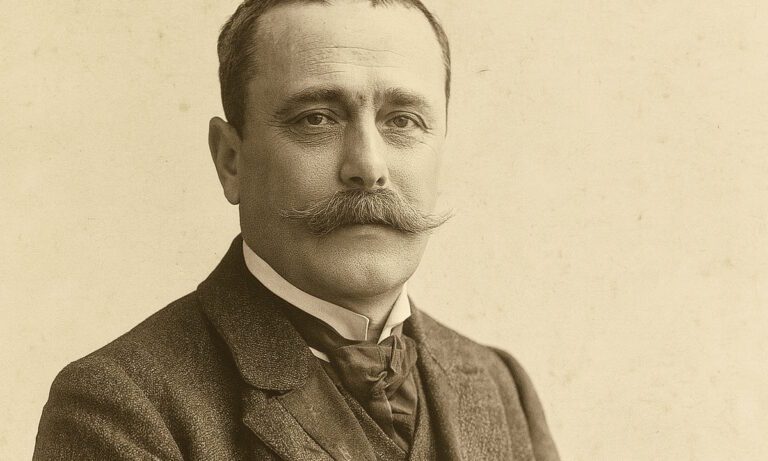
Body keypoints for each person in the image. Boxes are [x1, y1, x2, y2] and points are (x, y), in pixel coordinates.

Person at [34, 0, 559, 459]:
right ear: (231, 160)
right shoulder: (119, 407)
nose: (368, 166)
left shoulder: (500, 385)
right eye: (317, 118)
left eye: (402, 120)